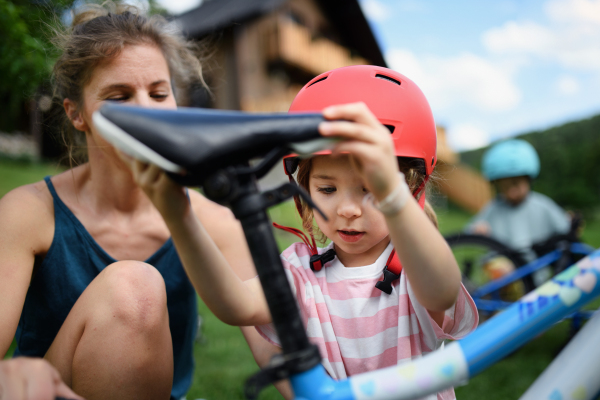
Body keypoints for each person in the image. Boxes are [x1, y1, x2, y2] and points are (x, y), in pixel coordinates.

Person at [123, 65, 478, 400]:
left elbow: (442, 291)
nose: (347, 209)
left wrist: (394, 199)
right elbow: (235, 306)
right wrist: (180, 217)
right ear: (303, 190)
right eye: (327, 190)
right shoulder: (302, 272)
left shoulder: (415, 267)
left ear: (411, 188)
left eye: (371, 189)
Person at [0, 3, 263, 399]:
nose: (146, 111)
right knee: (133, 287)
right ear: (77, 114)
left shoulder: (216, 221)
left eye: (159, 93)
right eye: (119, 96)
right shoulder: (28, 212)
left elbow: (281, 352)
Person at [468, 139, 570, 284]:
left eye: (516, 183)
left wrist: (571, 223)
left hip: (537, 277)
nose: (511, 190)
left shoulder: (543, 205)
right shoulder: (493, 207)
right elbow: (471, 231)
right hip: (502, 281)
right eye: (505, 185)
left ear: (528, 179)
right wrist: (478, 229)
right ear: (496, 184)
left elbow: (565, 229)